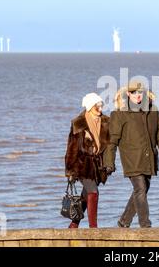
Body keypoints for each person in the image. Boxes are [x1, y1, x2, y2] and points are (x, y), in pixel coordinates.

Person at [103, 81, 159, 228]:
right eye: (134, 92)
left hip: (149, 158)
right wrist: (109, 162)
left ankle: (124, 221)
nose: (138, 96)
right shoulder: (119, 114)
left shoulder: (152, 111)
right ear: (128, 94)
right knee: (140, 188)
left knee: (142, 189)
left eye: (140, 92)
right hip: (131, 159)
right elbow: (112, 141)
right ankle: (145, 225)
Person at [64, 93, 110, 228]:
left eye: (101, 106)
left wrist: (109, 163)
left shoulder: (107, 121)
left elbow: (111, 144)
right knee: (93, 192)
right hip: (82, 165)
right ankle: (93, 228)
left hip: (98, 166)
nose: (100, 109)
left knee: (86, 195)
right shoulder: (78, 124)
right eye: (97, 107)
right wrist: (70, 170)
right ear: (90, 107)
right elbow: (71, 148)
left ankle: (74, 224)